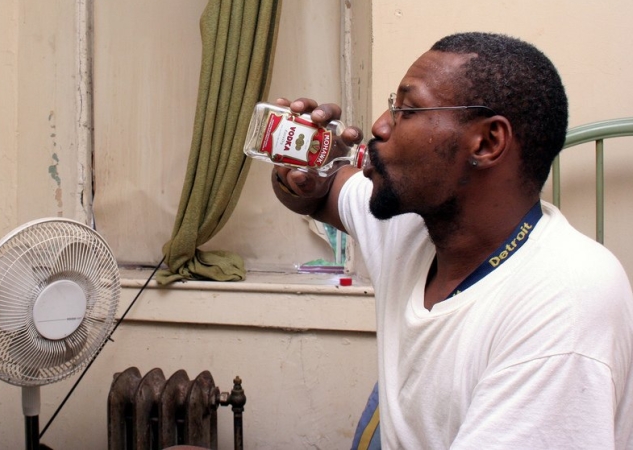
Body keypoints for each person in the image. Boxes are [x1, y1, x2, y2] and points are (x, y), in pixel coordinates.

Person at [270, 32, 633, 449]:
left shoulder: (566, 303)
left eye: (407, 109)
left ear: (487, 142)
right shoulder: (418, 222)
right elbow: (320, 192)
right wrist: (300, 172)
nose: (380, 125)